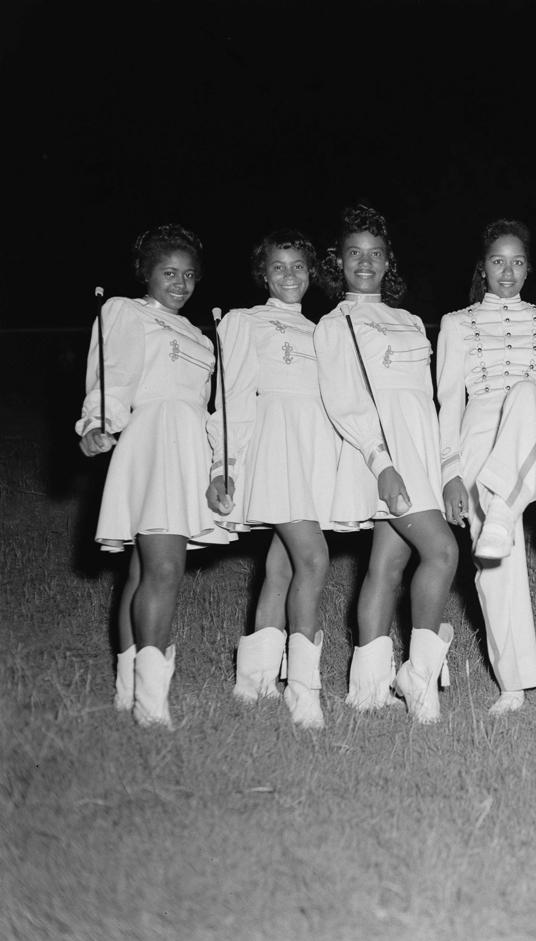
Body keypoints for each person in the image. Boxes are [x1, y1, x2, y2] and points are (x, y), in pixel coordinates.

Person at [78, 224, 229, 729]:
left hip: (186, 447)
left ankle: (128, 694)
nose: (181, 283)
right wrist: (98, 426)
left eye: (189, 275)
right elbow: (112, 378)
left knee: (144, 572)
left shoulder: (197, 334)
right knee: (164, 571)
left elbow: (208, 408)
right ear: (147, 273)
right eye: (169, 273)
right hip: (150, 443)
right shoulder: (126, 311)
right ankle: (151, 703)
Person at [313, 205, 458, 723]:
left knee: (387, 564)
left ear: (388, 260)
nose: (365, 262)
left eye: (375, 253)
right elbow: (346, 400)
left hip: (418, 451)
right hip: (380, 455)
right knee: (441, 551)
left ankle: (366, 688)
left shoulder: (411, 319)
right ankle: (417, 679)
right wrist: (383, 463)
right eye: (354, 253)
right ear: (339, 262)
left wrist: (445, 467)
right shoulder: (336, 323)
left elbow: (424, 398)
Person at [206, 230, 338, 729]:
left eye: (298, 266)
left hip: (311, 452)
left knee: (282, 568)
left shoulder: (320, 329)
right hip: (274, 448)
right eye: (278, 267)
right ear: (263, 273)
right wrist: (225, 465)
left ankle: (254, 682)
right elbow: (233, 398)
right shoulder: (245, 322)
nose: (290, 276)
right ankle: (303, 690)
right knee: (314, 558)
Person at [437, 220, 536, 714]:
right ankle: (513, 685)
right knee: (496, 562)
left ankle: (499, 508)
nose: (507, 271)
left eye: (517, 262)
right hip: (477, 439)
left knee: (526, 391)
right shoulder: (456, 323)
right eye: (497, 261)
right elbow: (448, 401)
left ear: (528, 267)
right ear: (483, 267)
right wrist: (450, 472)